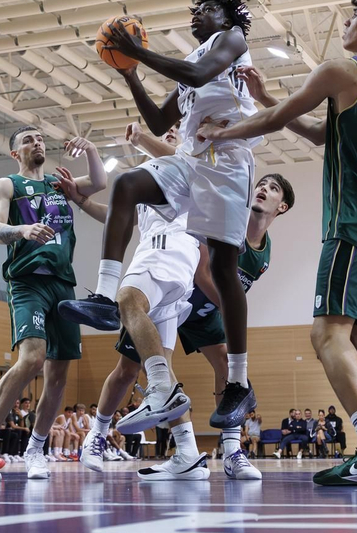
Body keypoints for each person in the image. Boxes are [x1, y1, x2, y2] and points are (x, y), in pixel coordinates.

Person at [199, 0, 357, 486]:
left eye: (355, 16)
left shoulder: (341, 69)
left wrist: (221, 133)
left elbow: (275, 120)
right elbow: (320, 134)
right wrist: (270, 99)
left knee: (325, 333)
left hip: (356, 219)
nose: (347, 23)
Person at [65, 125, 293, 482]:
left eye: (272, 187)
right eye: (261, 184)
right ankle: (158, 444)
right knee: (129, 368)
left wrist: (144, 136)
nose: (262, 189)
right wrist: (81, 200)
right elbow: (120, 214)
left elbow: (182, 158)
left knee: (228, 368)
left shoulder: (208, 192)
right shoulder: (166, 186)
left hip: (189, 292)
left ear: (283, 206)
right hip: (188, 283)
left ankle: (231, 450)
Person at [83, 0, 262, 429]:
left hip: (227, 162)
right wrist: (129, 72)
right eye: (195, 11)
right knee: (127, 184)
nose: (197, 17)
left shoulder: (232, 40)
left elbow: (201, 73)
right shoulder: (190, 66)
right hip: (190, 158)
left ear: (228, 15)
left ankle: (239, 381)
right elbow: (161, 124)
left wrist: (139, 52)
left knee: (223, 268)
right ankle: (107, 296)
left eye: (207, 10)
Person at [0, 130, 105, 482]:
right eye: (27, 139)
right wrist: (23, 230)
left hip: (63, 283)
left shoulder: (60, 185)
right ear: (15, 152)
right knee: (32, 358)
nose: (36, 143)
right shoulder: (6, 185)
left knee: (58, 376)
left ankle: (36, 450)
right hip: (27, 281)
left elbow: (99, 181)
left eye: (40, 138)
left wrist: (91, 149)